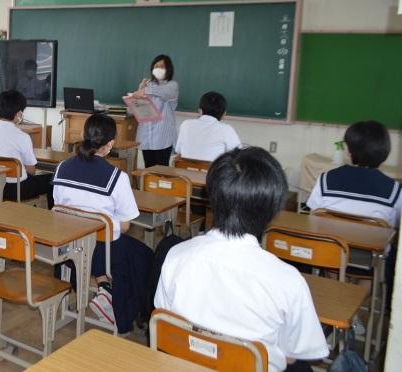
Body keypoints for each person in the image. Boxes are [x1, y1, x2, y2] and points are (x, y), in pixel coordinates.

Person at [155, 147, 328, 372]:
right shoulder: (288, 280)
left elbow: (164, 321)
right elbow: (294, 355)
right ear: (273, 208)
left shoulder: (177, 255)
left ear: (211, 197)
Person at [52, 113, 153, 335]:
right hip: (103, 250)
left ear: (83, 135)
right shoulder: (117, 177)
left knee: (102, 241)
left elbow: (59, 208)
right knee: (144, 257)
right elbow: (124, 226)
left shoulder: (62, 168)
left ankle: (105, 288)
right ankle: (121, 311)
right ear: (110, 144)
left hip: (70, 247)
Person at [306, 120, 401, 227]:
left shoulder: (325, 180)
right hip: (373, 238)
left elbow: (312, 220)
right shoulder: (395, 191)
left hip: (329, 238)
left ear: (347, 149)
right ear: (386, 150)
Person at [0, 90, 53, 208]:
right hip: (18, 189)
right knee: (53, 179)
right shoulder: (23, 137)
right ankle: (51, 217)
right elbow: (31, 171)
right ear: (19, 113)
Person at [129, 54, 178, 167]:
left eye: (162, 66)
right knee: (148, 169)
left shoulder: (172, 85)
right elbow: (140, 109)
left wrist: (144, 90)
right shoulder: (147, 85)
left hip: (163, 137)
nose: (158, 69)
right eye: (156, 66)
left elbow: (164, 93)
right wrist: (140, 90)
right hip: (146, 135)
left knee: (162, 170)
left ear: (168, 69)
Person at [175, 91, 241, 162]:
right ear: (223, 114)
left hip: (184, 168)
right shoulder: (227, 129)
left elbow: (178, 149)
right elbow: (238, 154)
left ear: (200, 111)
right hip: (212, 169)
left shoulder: (186, 124)